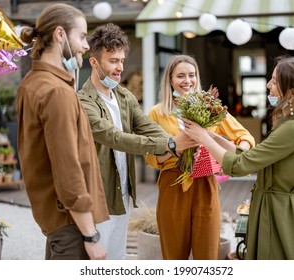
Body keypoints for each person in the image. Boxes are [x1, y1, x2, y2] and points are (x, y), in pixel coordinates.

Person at [182, 56, 294, 260]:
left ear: (291, 92)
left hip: (277, 214)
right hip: (275, 207)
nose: (268, 85)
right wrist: (213, 136)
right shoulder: (292, 121)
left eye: (274, 81)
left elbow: (239, 166)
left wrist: (203, 138)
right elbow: (251, 158)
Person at [77, 23, 196, 260]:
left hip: (122, 192)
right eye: (112, 61)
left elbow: (146, 125)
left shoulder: (124, 95)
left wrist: (172, 141)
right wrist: (170, 145)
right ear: (94, 62)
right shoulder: (83, 101)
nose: (120, 67)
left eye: (121, 60)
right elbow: (114, 138)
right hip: (99, 195)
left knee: (118, 257)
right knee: (96, 261)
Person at [16, 4, 109, 260]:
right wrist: (91, 236)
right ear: (60, 34)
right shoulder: (56, 92)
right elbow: (68, 168)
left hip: (59, 222)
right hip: (72, 225)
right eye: (81, 36)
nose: (87, 45)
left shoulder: (34, 83)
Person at [144, 54, 255, 260]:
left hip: (205, 184)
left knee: (208, 255)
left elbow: (245, 137)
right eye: (180, 76)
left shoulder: (210, 107)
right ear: (170, 79)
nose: (187, 81)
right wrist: (175, 146)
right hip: (173, 186)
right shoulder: (157, 113)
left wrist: (236, 154)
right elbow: (150, 157)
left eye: (191, 75)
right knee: (174, 256)